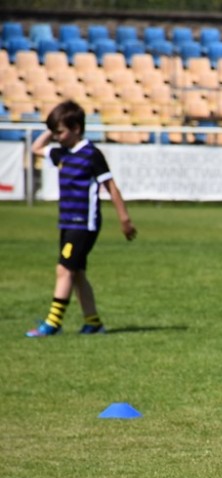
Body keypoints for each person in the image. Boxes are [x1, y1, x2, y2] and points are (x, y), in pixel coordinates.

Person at [25, 100, 136, 338]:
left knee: (64, 269)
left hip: (84, 224)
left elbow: (111, 187)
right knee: (76, 273)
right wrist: (52, 127)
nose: (57, 137)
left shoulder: (91, 154)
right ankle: (93, 322)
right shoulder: (62, 153)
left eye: (61, 132)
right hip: (66, 222)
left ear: (76, 128)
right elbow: (35, 148)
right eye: (55, 133)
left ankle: (53, 323)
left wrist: (124, 218)